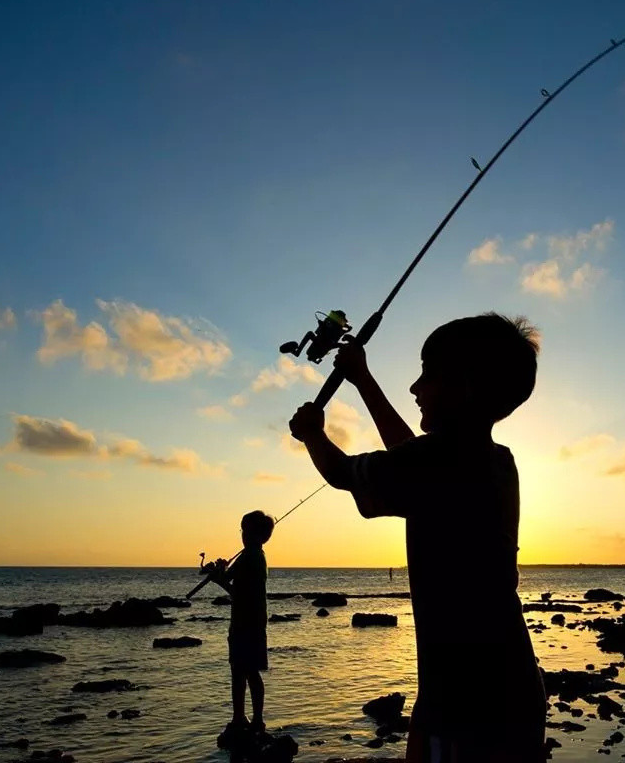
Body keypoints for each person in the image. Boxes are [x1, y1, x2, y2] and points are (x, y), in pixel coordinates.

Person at [289, 313, 547, 762]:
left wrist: (312, 434)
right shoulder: (496, 461)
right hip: (511, 688)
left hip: (463, 703)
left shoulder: (437, 461)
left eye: (427, 374)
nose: (414, 388)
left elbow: (343, 473)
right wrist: (363, 380)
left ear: (464, 386)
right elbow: (408, 455)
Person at [209, 510, 275, 740]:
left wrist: (218, 579)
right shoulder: (251, 555)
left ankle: (254, 719)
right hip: (247, 621)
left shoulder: (252, 557)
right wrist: (221, 572)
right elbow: (229, 578)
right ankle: (243, 718)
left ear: (256, 533)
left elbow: (239, 593)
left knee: (246, 670)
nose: (242, 534)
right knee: (241, 670)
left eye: (245, 529)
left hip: (248, 622)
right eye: (242, 529)